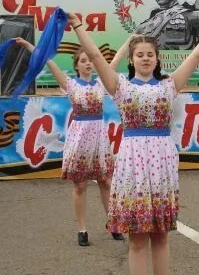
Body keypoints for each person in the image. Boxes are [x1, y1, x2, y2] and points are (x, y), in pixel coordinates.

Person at [74, 8, 199, 275]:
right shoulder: (119, 86)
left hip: (162, 164)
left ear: (157, 57)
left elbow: (196, 54)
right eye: (140, 54)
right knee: (137, 240)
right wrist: (79, 26)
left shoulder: (169, 85)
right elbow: (95, 54)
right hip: (133, 164)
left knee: (161, 236)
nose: (146, 58)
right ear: (132, 58)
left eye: (150, 54)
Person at [13, 38, 126, 244]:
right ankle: (82, 229)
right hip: (80, 138)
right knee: (80, 185)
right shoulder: (70, 84)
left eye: (90, 60)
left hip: (99, 138)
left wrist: (130, 40)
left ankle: (113, 222)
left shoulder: (101, 82)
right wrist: (30, 46)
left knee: (105, 181)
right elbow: (49, 62)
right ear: (76, 65)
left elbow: (116, 60)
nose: (88, 63)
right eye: (83, 60)